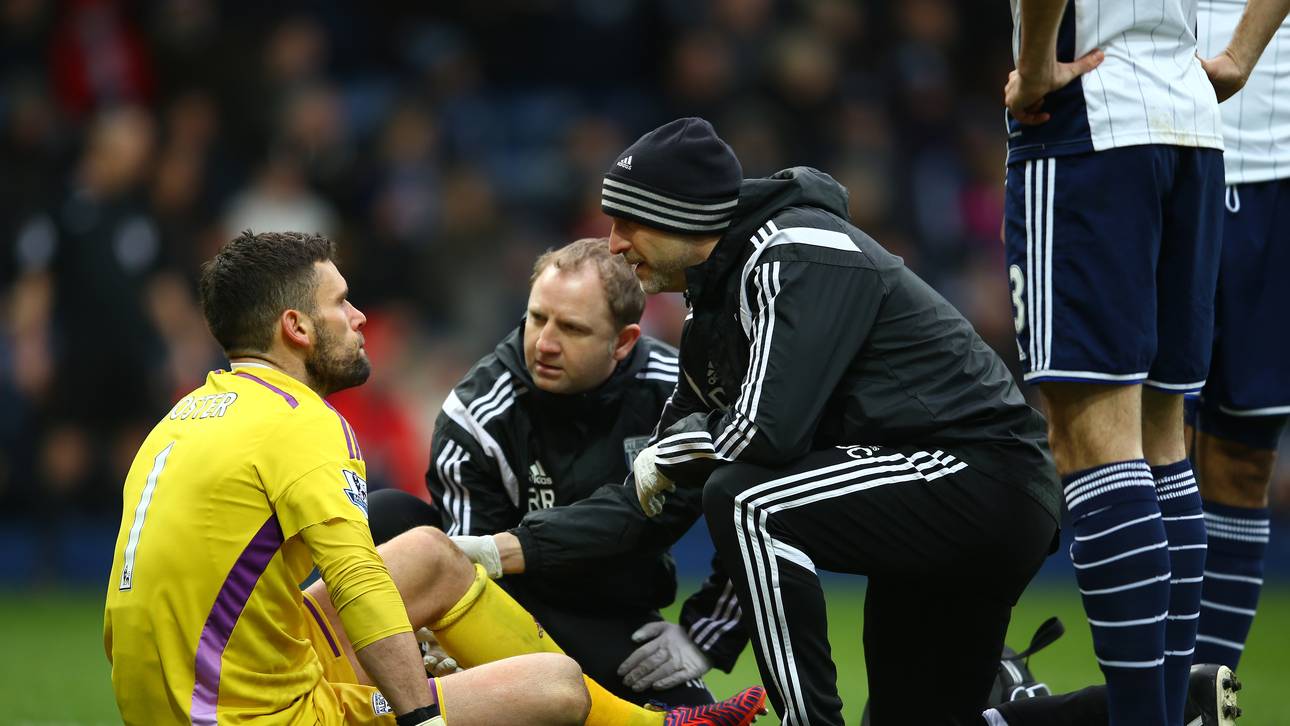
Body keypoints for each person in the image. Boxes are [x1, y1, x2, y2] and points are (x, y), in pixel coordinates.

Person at [589, 116, 1060, 725]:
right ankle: (1150, 705)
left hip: (981, 473)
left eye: (628, 221)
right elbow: (669, 478)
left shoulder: (794, 249)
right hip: (939, 491)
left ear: (681, 213)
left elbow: (763, 436)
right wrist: (522, 551)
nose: (614, 243)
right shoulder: (714, 308)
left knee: (746, 502)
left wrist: (672, 455)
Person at [103, 230, 590, 725]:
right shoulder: (301, 421)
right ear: (296, 327)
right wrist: (422, 714)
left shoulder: (180, 419)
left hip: (178, 701)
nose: (359, 317)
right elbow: (357, 581)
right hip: (258, 716)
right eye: (340, 302)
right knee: (558, 685)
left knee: (428, 554)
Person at [1000, 0, 1290, 723]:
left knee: (1094, 443)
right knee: (1163, 447)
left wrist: (1034, 65)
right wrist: (1239, 59)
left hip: (1092, 120)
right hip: (1191, 123)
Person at [367, 237, 746, 706]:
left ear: (623, 342)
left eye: (572, 328)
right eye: (537, 317)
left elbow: (750, 507)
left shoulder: (679, 397)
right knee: (389, 515)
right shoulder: (477, 411)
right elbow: (468, 570)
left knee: (695, 716)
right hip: (507, 607)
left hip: (615, 617)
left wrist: (705, 633)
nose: (545, 343)